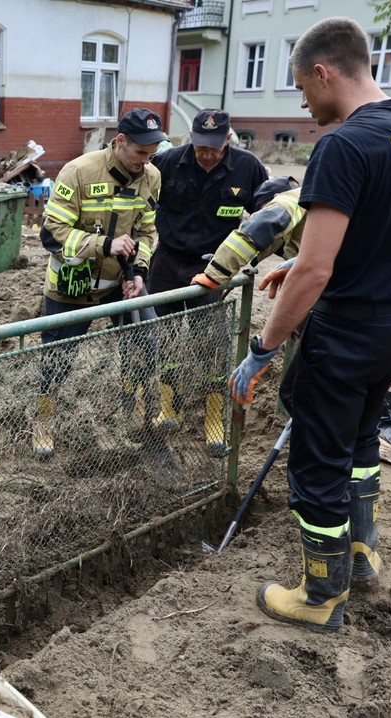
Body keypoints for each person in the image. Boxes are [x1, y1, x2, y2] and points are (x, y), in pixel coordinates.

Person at [228, 16, 391, 631]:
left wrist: (264, 347)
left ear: (324, 72)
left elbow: (315, 271)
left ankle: (321, 594)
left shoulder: (344, 146)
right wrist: (309, 265)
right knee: (359, 440)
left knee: (317, 461)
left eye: (303, 87)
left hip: (349, 331)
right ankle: (361, 552)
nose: (303, 104)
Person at [32, 107, 166, 462]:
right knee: (57, 360)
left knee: (144, 341)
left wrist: (139, 272)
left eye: (152, 154)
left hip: (120, 283)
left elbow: (147, 231)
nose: (146, 161)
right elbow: (53, 234)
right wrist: (104, 245)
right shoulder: (78, 172)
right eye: (141, 152)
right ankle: (43, 422)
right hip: (72, 287)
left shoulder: (151, 176)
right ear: (120, 141)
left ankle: (133, 412)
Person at [149, 109, 269, 453]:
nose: (206, 154)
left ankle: (214, 417)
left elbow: (268, 213)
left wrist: (252, 256)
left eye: (214, 148)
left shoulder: (248, 168)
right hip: (167, 263)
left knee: (212, 345)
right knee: (166, 339)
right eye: (201, 147)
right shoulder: (166, 163)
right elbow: (139, 200)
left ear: (228, 140)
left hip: (212, 269)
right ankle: (169, 407)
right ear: (191, 138)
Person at [191, 175, 303, 296]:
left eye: (264, 209)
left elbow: (259, 228)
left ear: (276, 197)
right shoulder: (309, 203)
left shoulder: (288, 200)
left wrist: (215, 274)